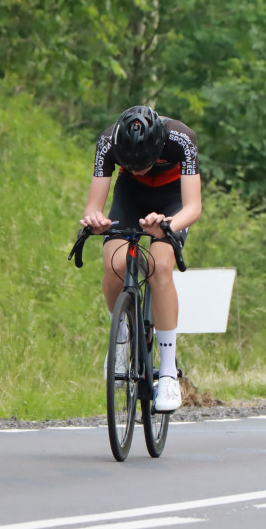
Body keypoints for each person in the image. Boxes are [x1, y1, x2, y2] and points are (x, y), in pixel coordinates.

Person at [79, 105, 202, 412]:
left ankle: (169, 373)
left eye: (144, 165)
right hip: (130, 197)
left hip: (172, 199)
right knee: (113, 263)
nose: (138, 170)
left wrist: (166, 226)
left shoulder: (181, 138)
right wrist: (95, 220)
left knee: (161, 267)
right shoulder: (108, 141)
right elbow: (94, 205)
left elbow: (193, 207)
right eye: (131, 165)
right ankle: (120, 337)